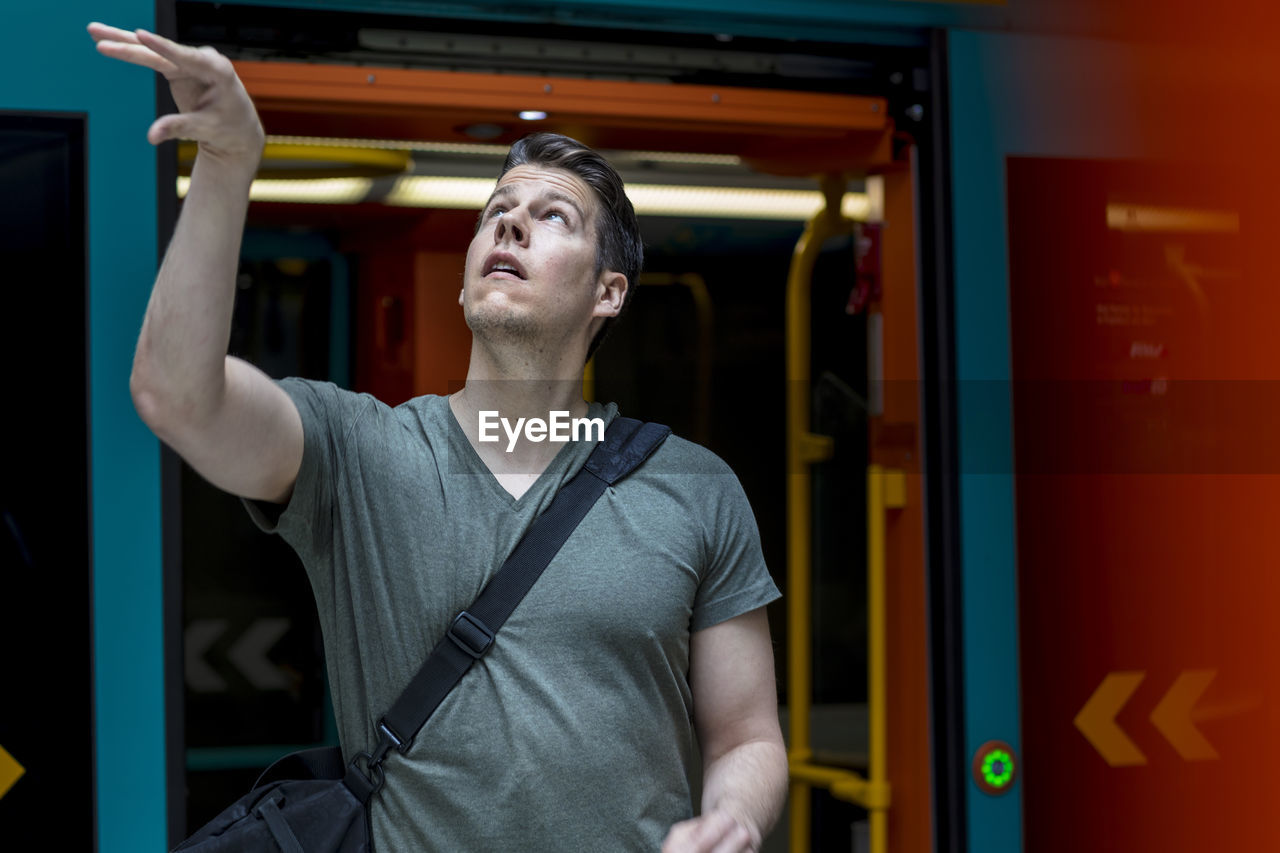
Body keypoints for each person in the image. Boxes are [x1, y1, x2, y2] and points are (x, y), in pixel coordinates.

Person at [90, 22, 788, 852]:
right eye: (496, 211)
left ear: (609, 292)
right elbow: (174, 393)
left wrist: (733, 818)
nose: (510, 225)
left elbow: (747, 735)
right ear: (463, 288)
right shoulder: (358, 454)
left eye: (552, 215)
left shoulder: (695, 487)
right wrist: (228, 163)